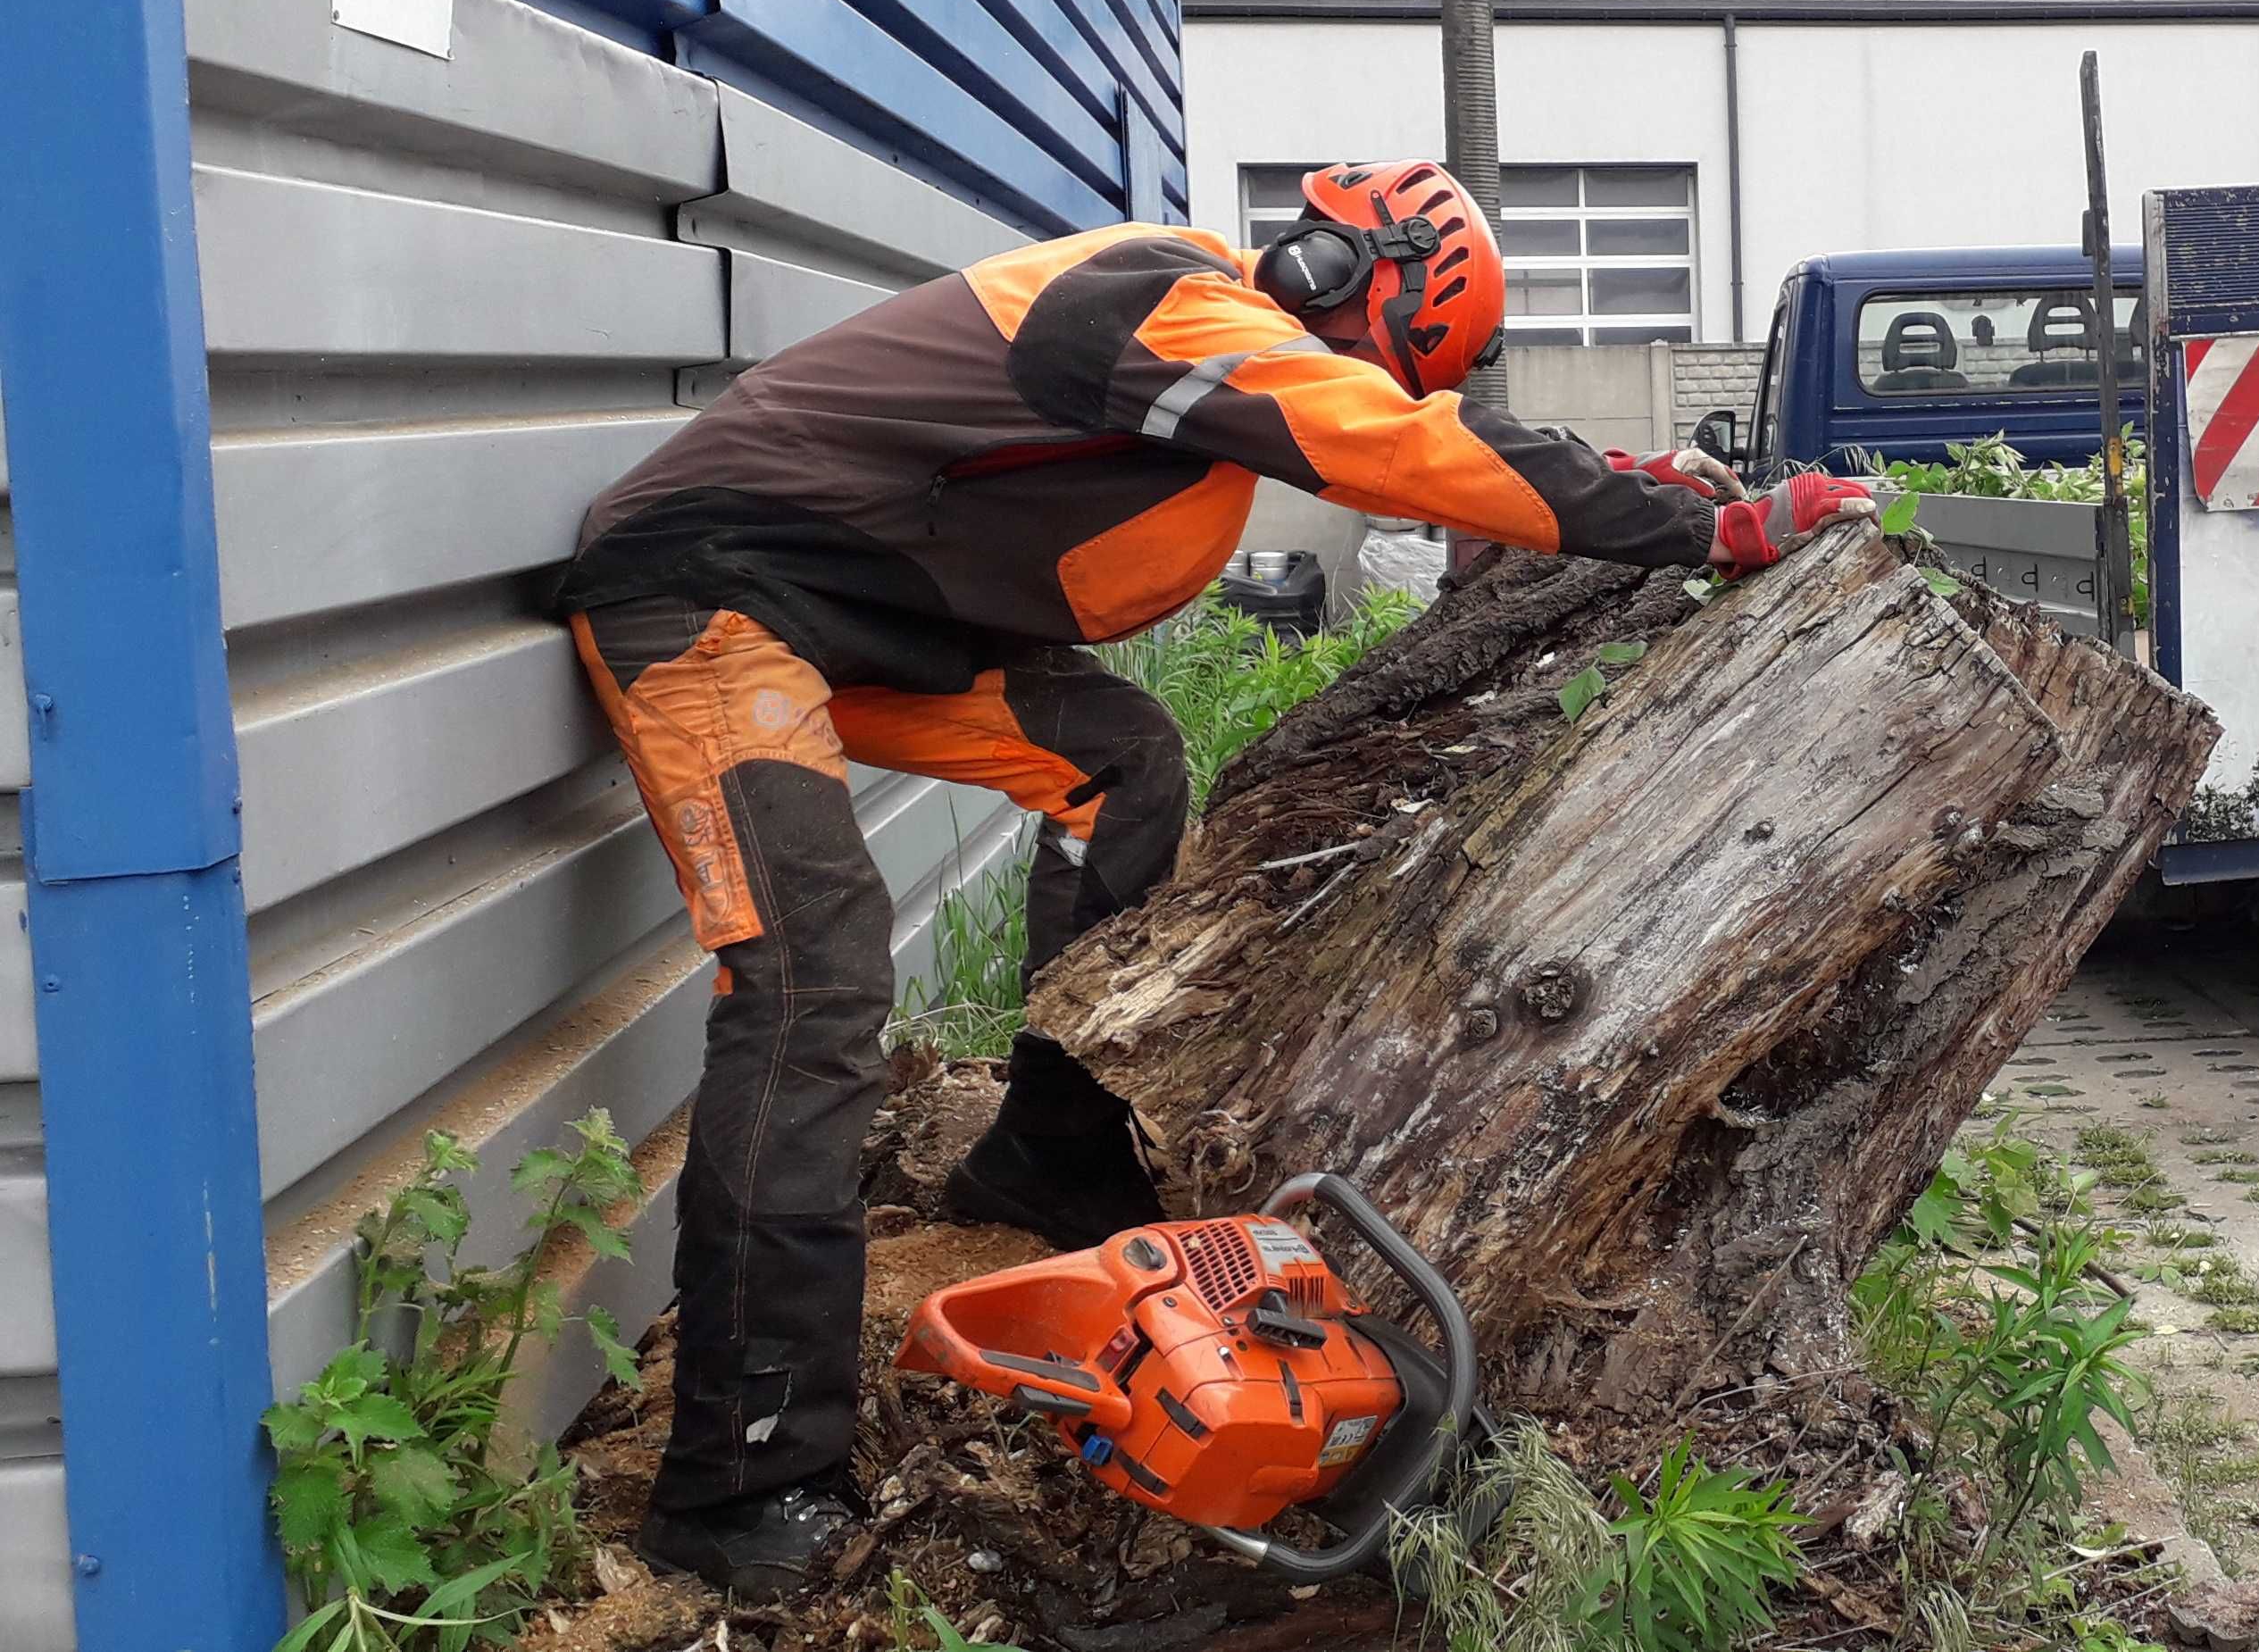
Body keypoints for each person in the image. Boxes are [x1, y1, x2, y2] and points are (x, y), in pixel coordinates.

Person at [551, 161, 1871, 1595]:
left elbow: (1390, 430)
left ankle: (1048, 1152)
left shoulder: (1199, 346)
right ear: (1336, 277)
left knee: (1121, 761)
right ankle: (739, 1484)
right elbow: (1378, 440)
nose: (1349, 371)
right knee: (816, 983)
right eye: (1366, 350)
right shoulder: (1158, 300)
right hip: (707, 601)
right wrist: (1697, 526)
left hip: (846, 615)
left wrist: (1627, 481)